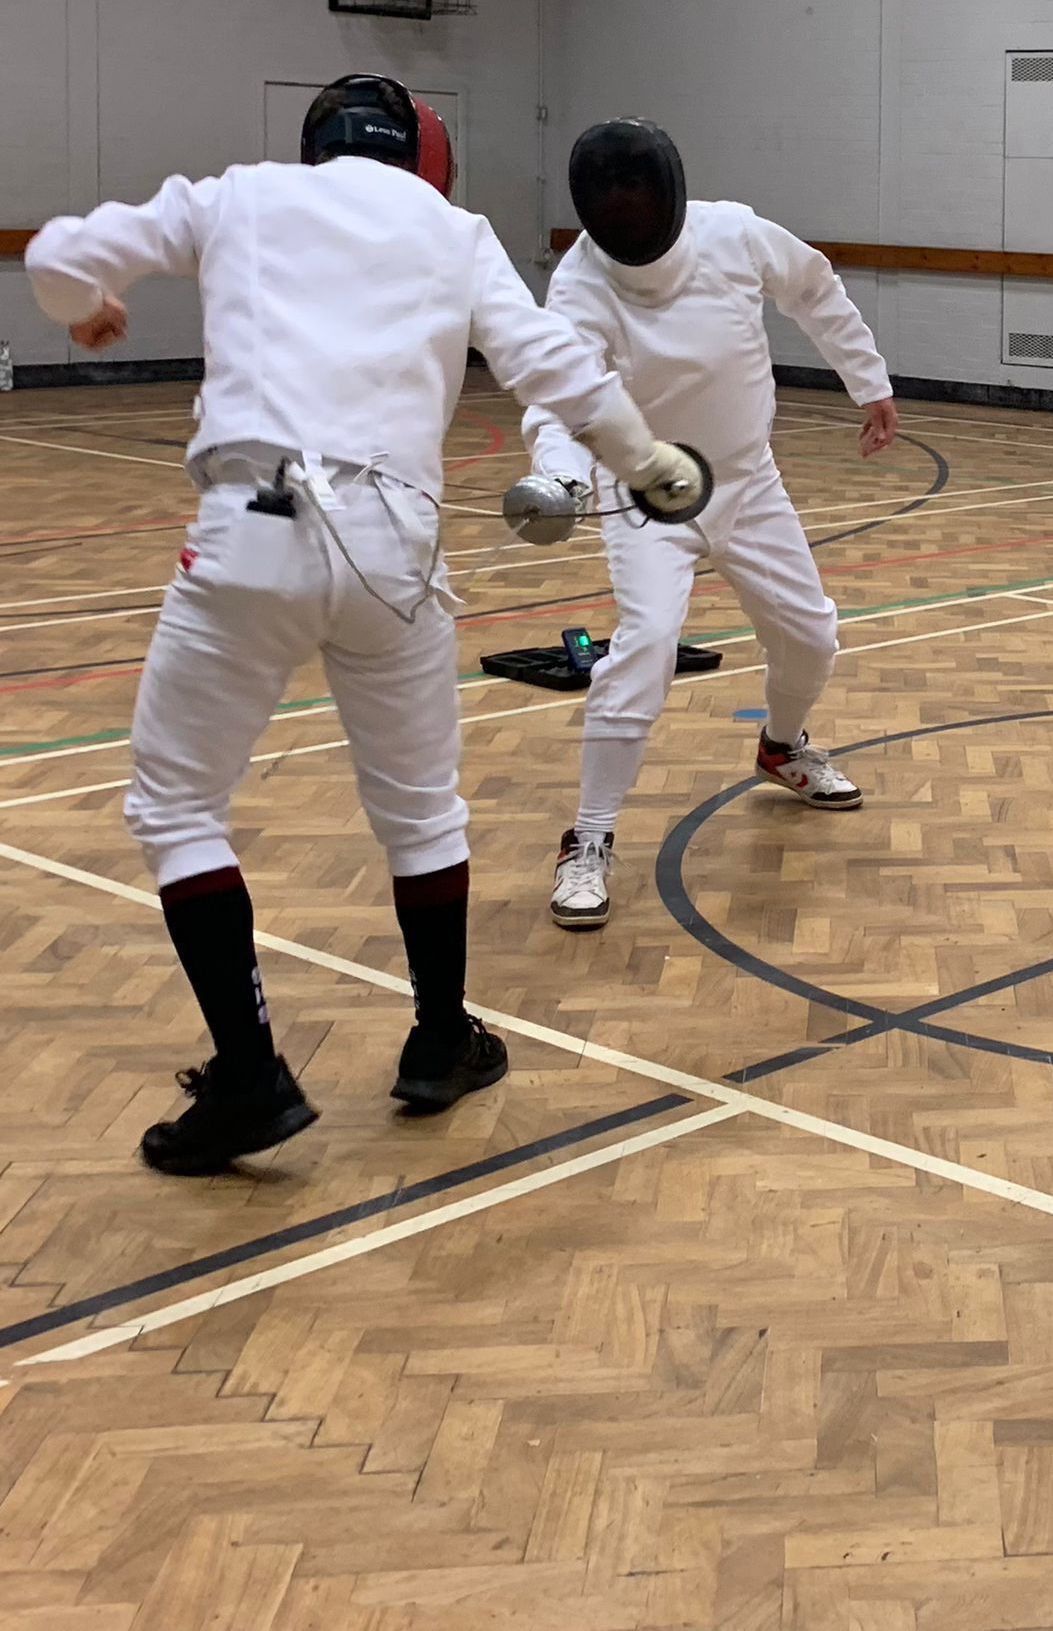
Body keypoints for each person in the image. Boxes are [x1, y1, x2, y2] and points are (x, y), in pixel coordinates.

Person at [24, 76, 704, 1173]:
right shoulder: (453, 226)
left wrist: (84, 309)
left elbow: (61, 250)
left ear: (314, 145)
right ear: (422, 154)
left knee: (177, 803)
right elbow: (552, 365)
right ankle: (440, 1039)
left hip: (252, 530)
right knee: (421, 810)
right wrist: (650, 461)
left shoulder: (240, 196)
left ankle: (249, 1076)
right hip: (396, 546)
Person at [522, 118, 898, 931]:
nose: (629, 217)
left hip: (748, 481)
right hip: (647, 493)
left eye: (639, 199)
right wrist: (557, 475)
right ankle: (586, 839)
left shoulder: (733, 233)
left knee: (812, 638)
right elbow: (563, 396)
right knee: (647, 646)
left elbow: (814, 288)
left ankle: (782, 746)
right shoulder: (581, 283)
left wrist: (867, 380)